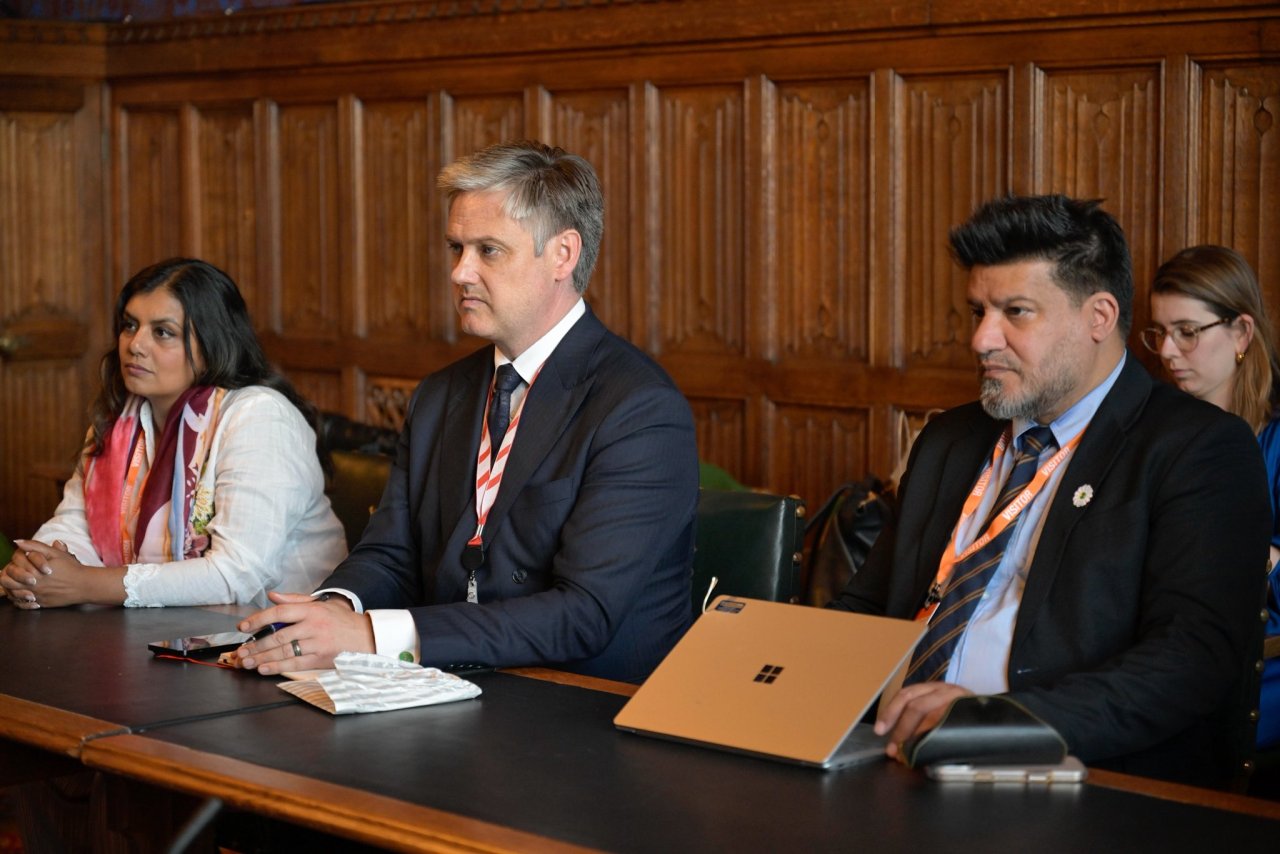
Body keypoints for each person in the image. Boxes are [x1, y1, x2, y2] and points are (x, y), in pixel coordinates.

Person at [830, 195, 1270, 788]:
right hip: (882, 754)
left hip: (1062, 776)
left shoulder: (1197, 449)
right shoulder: (950, 439)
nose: (983, 339)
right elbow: (867, 609)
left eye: (1016, 311)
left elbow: (1190, 662)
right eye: (977, 311)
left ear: (1099, 317)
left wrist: (997, 722)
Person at [235, 140, 699, 683]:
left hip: (581, 710)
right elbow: (391, 553)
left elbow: (583, 616)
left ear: (562, 255)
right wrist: (338, 608)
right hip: (449, 685)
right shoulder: (440, 394)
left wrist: (369, 636)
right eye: (456, 248)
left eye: (488, 250)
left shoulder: (639, 407)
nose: (460, 272)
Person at [0, 258, 346, 610]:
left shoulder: (258, 417)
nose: (136, 344)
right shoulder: (120, 420)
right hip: (163, 633)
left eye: (162, 332)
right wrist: (37, 570)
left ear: (212, 344)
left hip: (273, 636)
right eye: (129, 326)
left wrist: (86, 584)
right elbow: (76, 526)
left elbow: (237, 574)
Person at [1145, 244, 1280, 750]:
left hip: (1252, 669)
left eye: (1188, 332)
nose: (1166, 352)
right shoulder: (1157, 429)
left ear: (1241, 332)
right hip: (1159, 643)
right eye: (1160, 332)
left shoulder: (1276, 439)